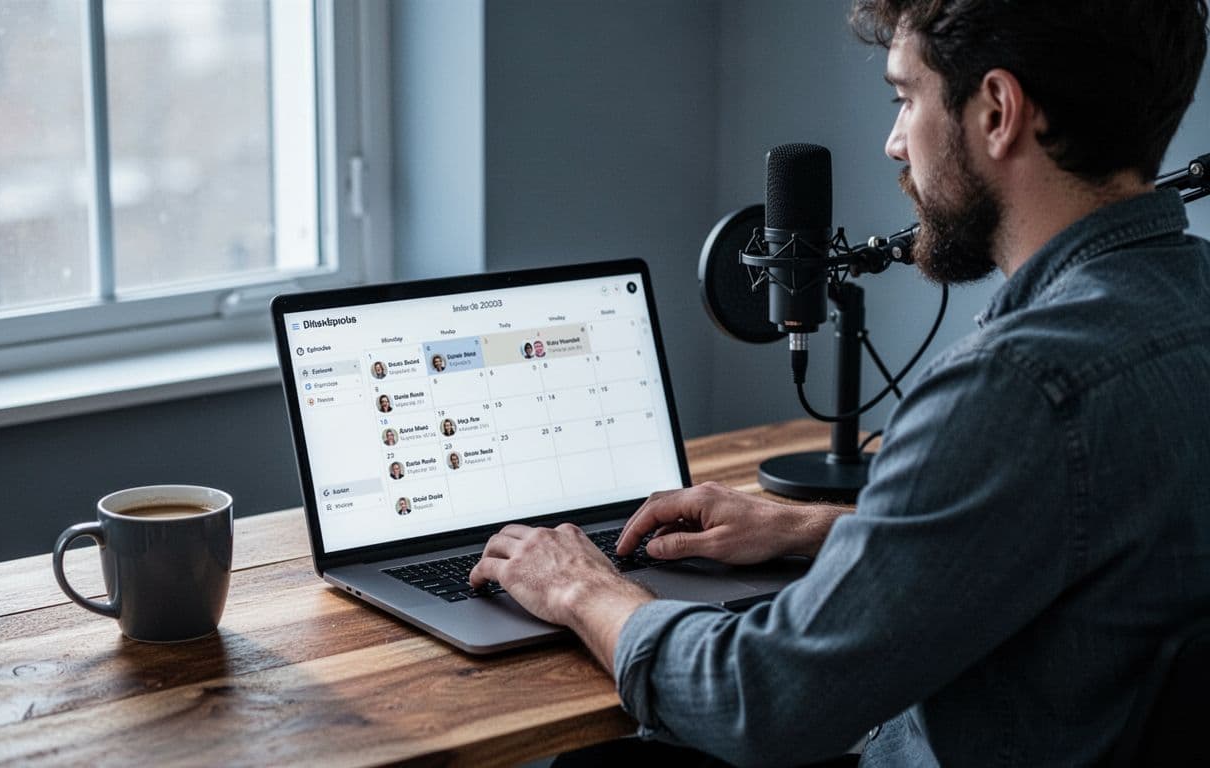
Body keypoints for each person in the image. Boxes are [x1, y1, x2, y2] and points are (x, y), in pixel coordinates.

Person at [470, 2, 1210, 765]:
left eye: (905, 98)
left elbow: (758, 702)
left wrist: (581, 590)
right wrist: (807, 529)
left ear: (997, 110)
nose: (895, 142)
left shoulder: (1015, 389)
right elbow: (1068, 533)